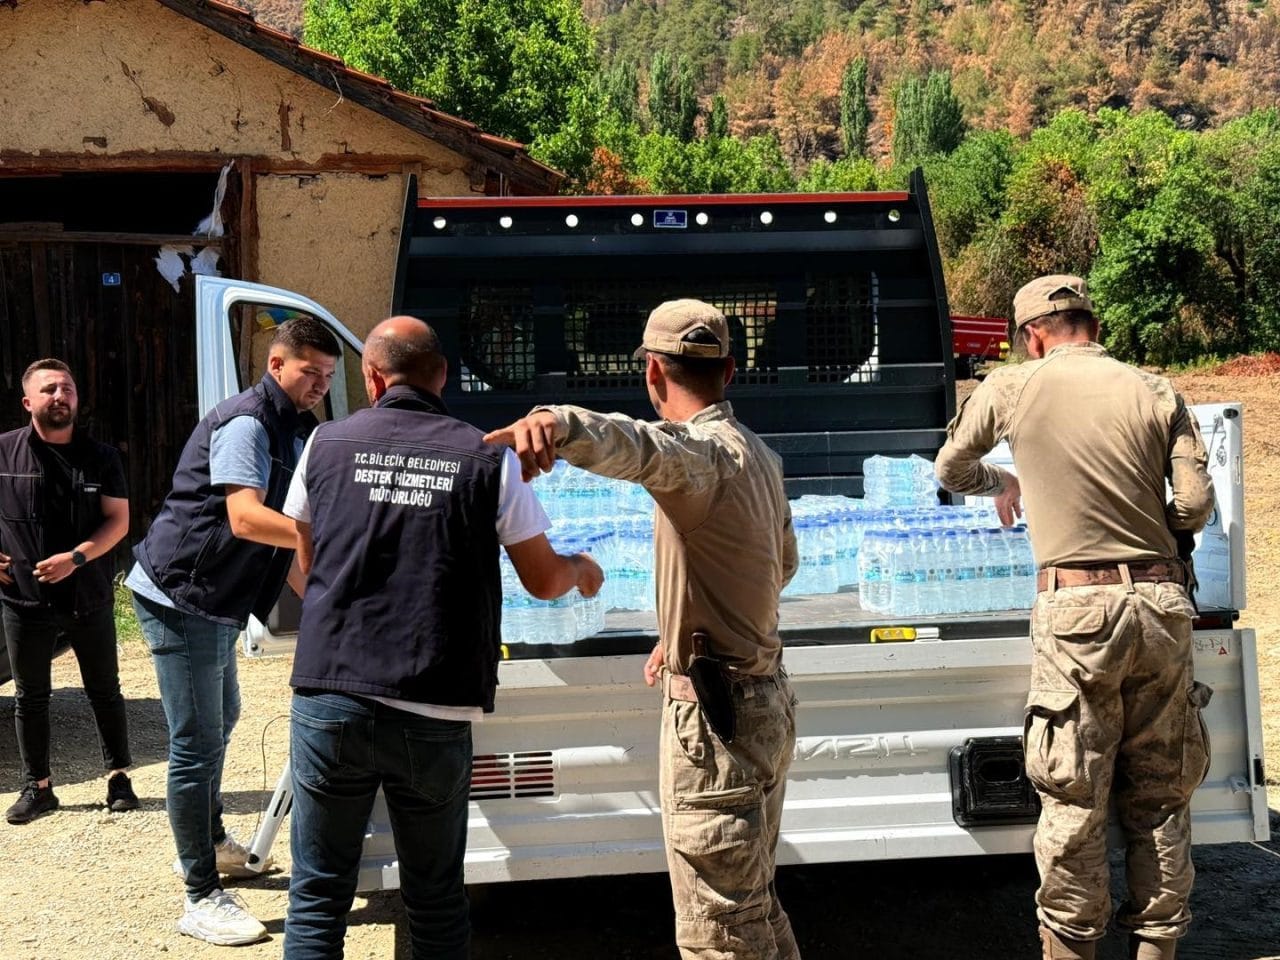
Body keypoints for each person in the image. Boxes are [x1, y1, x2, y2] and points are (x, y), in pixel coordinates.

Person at [485, 299, 801, 960]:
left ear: (654, 375)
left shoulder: (701, 455)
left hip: (716, 726)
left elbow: (637, 446)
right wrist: (690, 624)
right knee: (753, 907)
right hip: (765, 699)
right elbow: (781, 564)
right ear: (732, 373)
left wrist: (557, 422)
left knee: (720, 932)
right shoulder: (761, 455)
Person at [280, 315, 603, 959]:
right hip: (432, 699)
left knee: (317, 899)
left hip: (331, 694)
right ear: (443, 378)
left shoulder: (325, 445)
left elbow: (304, 563)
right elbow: (541, 581)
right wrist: (582, 570)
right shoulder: (488, 457)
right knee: (434, 900)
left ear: (372, 378)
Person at [934, 275, 1215, 960]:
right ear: (1091, 321)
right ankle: (1156, 947)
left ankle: (1071, 947)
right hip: (1160, 602)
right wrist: (1154, 527)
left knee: (1073, 796)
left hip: (1077, 610)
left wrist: (1000, 482)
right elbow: (1196, 505)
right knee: (1160, 796)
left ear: (1031, 335)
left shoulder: (1010, 387)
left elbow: (950, 466)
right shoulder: (1155, 388)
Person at [126, 317, 340, 946]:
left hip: (217, 599)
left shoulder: (297, 428)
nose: (319, 387)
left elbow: (287, 541)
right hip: (179, 594)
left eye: (328, 377)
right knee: (195, 741)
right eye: (310, 373)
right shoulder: (248, 422)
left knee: (224, 716)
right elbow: (248, 519)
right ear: (277, 365)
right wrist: (322, 543)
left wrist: (328, 603)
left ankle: (211, 840)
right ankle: (199, 894)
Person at [0, 359, 136, 824]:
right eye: (50, 389)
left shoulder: (101, 457)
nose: (61, 396)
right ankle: (38, 788)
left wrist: (76, 558)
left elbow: (118, 520)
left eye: (68, 388)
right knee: (30, 696)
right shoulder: (4, 452)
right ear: (28, 402)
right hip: (23, 599)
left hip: (87, 596)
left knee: (104, 690)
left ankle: (119, 778)